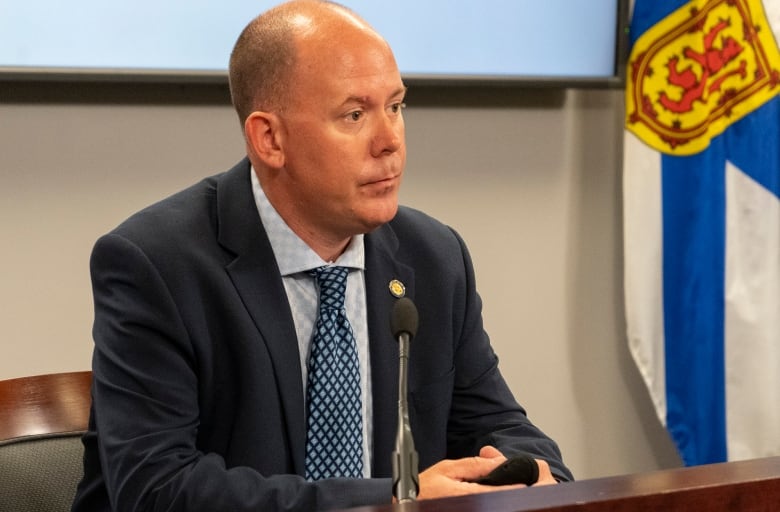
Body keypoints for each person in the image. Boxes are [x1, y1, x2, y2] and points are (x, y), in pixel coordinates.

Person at [71, 1, 573, 510]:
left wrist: (528, 469)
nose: (389, 141)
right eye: (354, 115)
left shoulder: (434, 258)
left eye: (396, 106)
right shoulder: (156, 264)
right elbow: (157, 487)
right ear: (269, 138)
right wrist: (392, 500)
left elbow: (496, 423)